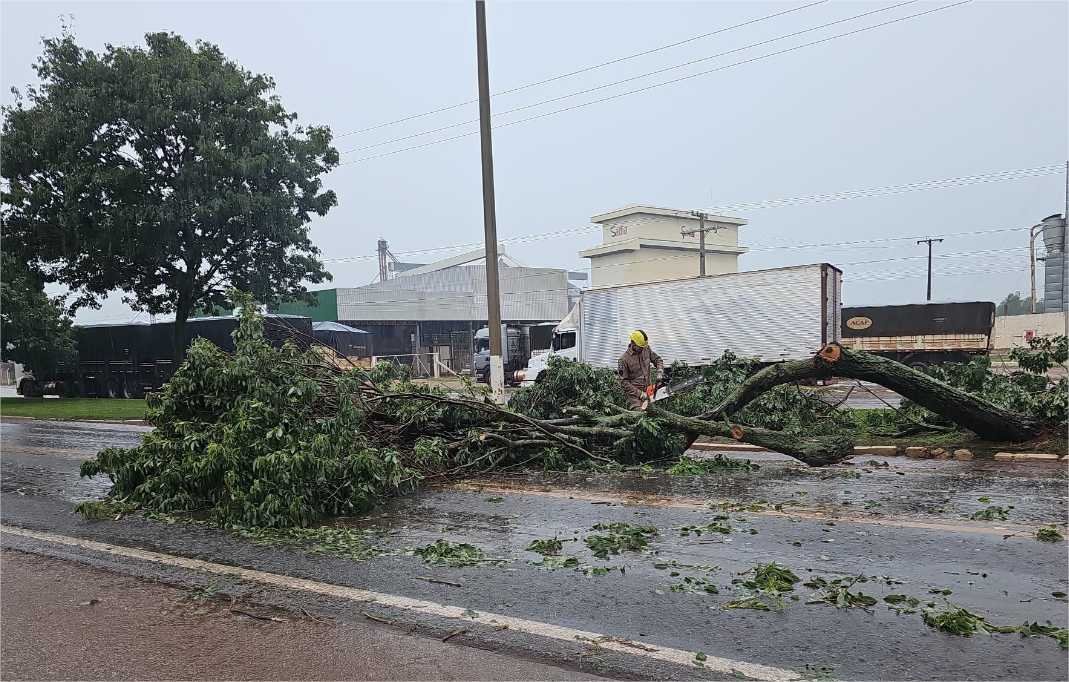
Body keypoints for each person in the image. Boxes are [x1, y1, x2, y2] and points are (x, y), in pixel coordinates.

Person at [617, 329, 664, 410]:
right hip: (635, 396)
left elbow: (658, 360)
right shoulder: (624, 359)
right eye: (640, 347)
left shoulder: (646, 349)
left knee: (654, 414)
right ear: (633, 343)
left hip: (649, 391)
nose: (642, 349)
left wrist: (660, 372)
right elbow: (624, 382)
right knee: (640, 415)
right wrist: (640, 394)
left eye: (643, 347)